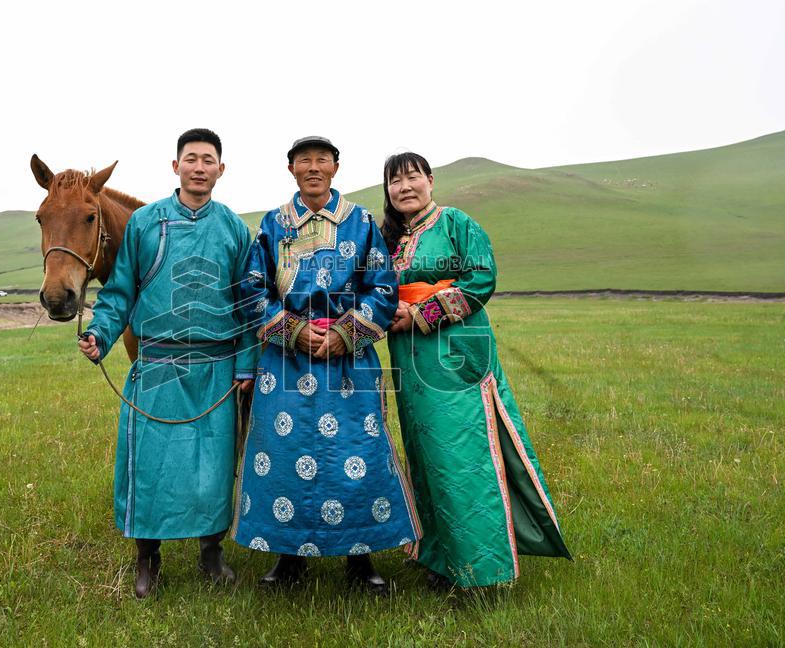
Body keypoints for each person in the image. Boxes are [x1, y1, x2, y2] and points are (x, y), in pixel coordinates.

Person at [230, 136, 421, 593]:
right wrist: (292, 330)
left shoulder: (361, 222)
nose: (313, 167)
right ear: (291, 169)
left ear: (335, 168)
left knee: (358, 454)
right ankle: (288, 556)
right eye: (304, 160)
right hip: (286, 360)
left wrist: (345, 333)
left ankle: (361, 556)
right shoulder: (273, 225)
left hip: (349, 361)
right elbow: (253, 288)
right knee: (285, 456)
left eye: (322, 160)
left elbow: (382, 287)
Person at [78, 128, 258, 597]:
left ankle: (211, 552)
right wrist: (100, 333)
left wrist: (246, 363)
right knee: (150, 463)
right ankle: (148, 557)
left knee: (213, 466)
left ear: (221, 169)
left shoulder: (234, 228)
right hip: (158, 364)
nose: (199, 167)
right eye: (191, 159)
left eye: (208, 160)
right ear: (175, 166)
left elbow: (249, 302)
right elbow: (120, 292)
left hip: (217, 366)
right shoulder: (145, 223)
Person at [383, 152, 571, 590]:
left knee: (462, 455)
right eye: (395, 181)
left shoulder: (455, 223)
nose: (404, 187)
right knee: (426, 456)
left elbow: (482, 278)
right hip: (410, 357)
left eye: (412, 177)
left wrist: (423, 312)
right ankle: (438, 557)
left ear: (431, 180)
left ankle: (482, 570)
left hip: (456, 351)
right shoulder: (390, 238)